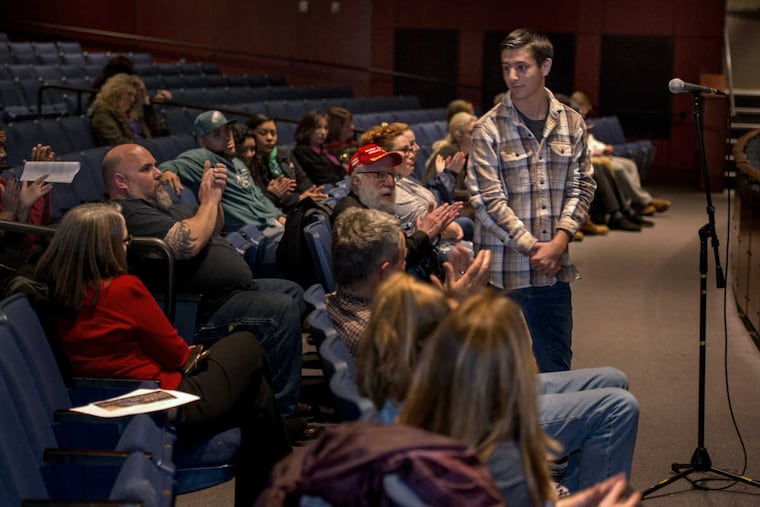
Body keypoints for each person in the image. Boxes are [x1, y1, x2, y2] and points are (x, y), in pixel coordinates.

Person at [34, 201, 292, 507]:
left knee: (257, 396)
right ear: (107, 247)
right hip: (161, 399)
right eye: (126, 240)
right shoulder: (123, 289)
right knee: (247, 345)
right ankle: (283, 487)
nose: (129, 247)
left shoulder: (64, 291)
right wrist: (192, 354)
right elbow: (175, 355)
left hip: (116, 399)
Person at [103, 143, 306, 418]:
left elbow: (213, 224)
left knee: (291, 292)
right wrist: (207, 204)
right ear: (120, 181)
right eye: (146, 168)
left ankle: (264, 394)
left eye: (155, 165)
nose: (158, 173)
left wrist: (214, 199)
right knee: (279, 309)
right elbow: (188, 243)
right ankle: (281, 415)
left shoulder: (161, 204)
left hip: (225, 295)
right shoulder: (127, 213)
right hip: (197, 310)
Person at [396, 287, 641, 506]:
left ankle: (577, 489)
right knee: (618, 407)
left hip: (462, 396)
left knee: (612, 378)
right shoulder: (503, 460)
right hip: (469, 403)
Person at [467, 28, 597, 372]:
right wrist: (535, 249)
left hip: (552, 276)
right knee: (504, 380)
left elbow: (582, 186)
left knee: (556, 371)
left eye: (522, 67)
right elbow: (486, 201)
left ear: (546, 66)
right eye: (506, 67)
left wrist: (559, 241)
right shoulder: (487, 128)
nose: (512, 76)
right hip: (502, 277)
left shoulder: (572, 123)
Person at [328, 207, 490, 356]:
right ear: (384, 274)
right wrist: (460, 312)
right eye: (403, 259)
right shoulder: (382, 339)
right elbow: (449, 372)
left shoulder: (333, 302)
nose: (405, 265)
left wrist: (445, 306)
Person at [331, 143, 460, 274]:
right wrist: (425, 234)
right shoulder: (351, 213)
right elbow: (390, 263)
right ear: (357, 181)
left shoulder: (375, 204)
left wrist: (425, 234)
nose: (391, 183)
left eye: (392, 175)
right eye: (380, 174)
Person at [159, 110, 286, 231]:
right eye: (217, 134)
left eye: (227, 130)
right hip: (251, 231)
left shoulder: (237, 161)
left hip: (270, 223)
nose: (227, 137)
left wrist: (279, 216)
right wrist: (167, 171)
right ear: (201, 141)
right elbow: (170, 166)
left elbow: (258, 196)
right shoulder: (202, 157)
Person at [359, 123, 465, 241]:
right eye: (405, 149)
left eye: (411, 147)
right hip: (428, 249)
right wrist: (447, 176)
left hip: (433, 242)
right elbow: (429, 226)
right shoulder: (391, 191)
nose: (415, 150)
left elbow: (433, 205)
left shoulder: (404, 178)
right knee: (466, 224)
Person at [570, 91, 670, 216]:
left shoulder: (583, 122)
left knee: (630, 164)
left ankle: (636, 203)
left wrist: (603, 148)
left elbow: (591, 141)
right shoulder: (570, 123)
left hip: (598, 154)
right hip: (589, 158)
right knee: (620, 169)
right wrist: (594, 151)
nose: (585, 115)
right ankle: (645, 201)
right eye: (583, 111)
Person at [0, 130, 54, 293]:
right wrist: (8, 214)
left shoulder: (4, 183)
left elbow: (36, 231)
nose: (3, 154)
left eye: (3, 147)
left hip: (22, 262)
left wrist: (24, 209)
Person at [246, 114, 327, 213]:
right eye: (263, 133)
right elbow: (265, 197)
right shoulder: (250, 161)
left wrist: (311, 192)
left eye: (273, 133)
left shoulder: (284, 153)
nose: (269, 138)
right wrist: (299, 198)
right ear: (252, 135)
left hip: (297, 204)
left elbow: (302, 178)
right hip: (277, 211)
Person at [90, 73, 170, 147]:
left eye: (134, 96)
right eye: (129, 94)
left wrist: (148, 107)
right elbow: (116, 142)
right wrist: (145, 147)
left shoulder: (133, 112)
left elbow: (154, 131)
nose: (132, 99)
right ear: (116, 92)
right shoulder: (103, 112)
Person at [423, 111, 478, 217]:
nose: (477, 136)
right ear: (458, 136)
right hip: (436, 206)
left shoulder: (469, 155)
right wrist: (473, 194)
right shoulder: (449, 151)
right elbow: (433, 186)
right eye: (471, 133)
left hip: (455, 203)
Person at [292, 109, 347, 185]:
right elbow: (322, 177)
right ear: (307, 129)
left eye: (326, 128)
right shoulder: (302, 151)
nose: (323, 132)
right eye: (318, 127)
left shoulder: (326, 150)